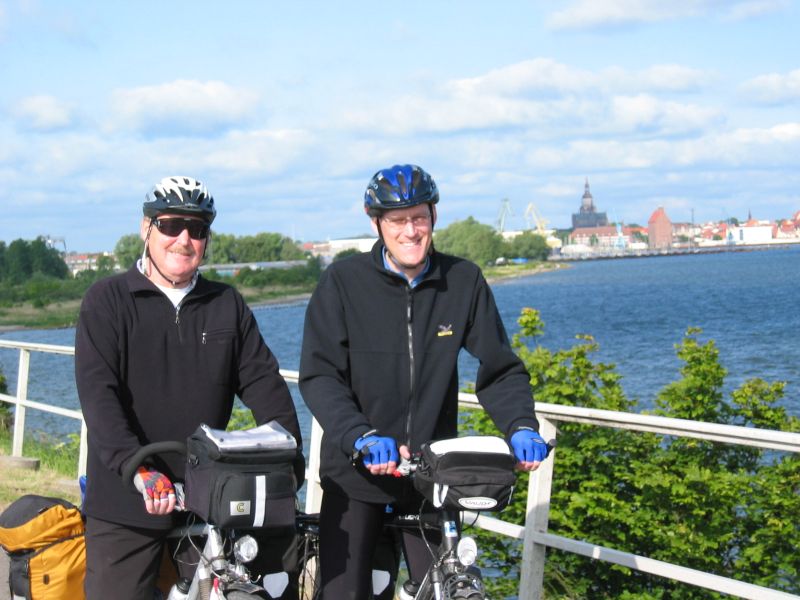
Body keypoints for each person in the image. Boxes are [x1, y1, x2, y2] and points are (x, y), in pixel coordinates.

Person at [298, 164, 549, 599]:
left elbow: (499, 368)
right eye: (398, 220)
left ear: (434, 216)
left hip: (432, 475)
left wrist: (521, 424)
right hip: (358, 474)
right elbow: (320, 375)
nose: (411, 231)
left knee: (445, 589)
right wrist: (359, 435)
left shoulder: (462, 280)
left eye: (420, 218)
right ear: (375, 221)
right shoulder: (342, 282)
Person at [75, 175, 302, 600]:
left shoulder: (225, 304)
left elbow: (263, 382)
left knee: (259, 586)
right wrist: (137, 468)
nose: (183, 239)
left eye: (197, 229)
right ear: (146, 229)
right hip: (128, 496)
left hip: (208, 494)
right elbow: (99, 396)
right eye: (171, 225)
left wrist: (290, 458)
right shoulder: (107, 301)